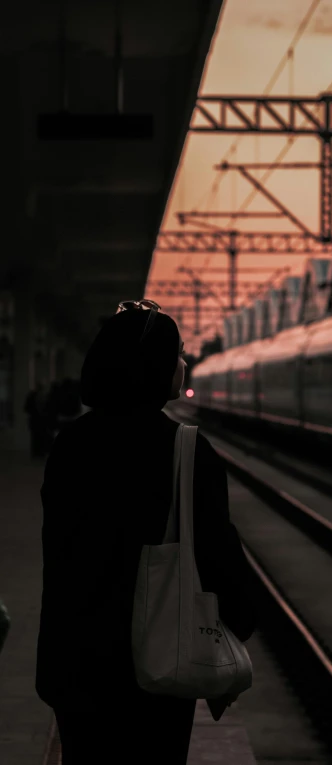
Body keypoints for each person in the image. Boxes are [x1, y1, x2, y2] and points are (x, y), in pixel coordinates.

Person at [35, 301, 256, 764]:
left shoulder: (70, 446)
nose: (184, 363)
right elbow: (221, 561)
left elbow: (57, 554)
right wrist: (235, 633)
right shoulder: (186, 451)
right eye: (177, 354)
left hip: (75, 668)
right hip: (156, 670)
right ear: (155, 365)